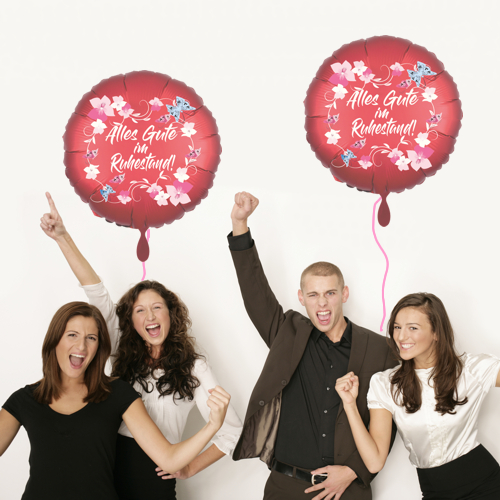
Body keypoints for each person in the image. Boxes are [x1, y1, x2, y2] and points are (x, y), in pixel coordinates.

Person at [39, 193, 242, 500]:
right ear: (130, 321)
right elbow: (96, 292)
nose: (150, 316)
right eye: (140, 310)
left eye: (157, 307)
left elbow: (232, 430)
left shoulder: (194, 367)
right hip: (105, 471)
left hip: (154, 479)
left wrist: (189, 468)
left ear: (170, 315)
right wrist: (63, 238)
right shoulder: (120, 349)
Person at [227, 191, 398, 500]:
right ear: (301, 297)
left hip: (347, 489)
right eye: (314, 295)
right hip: (286, 485)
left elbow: (389, 424)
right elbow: (255, 292)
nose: (322, 303)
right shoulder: (287, 333)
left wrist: (353, 471)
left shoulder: (380, 349)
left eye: (330, 293)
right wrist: (240, 225)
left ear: (344, 294)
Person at [0, 301, 230, 500]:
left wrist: (213, 425)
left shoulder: (117, 393)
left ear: (98, 347)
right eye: (72, 335)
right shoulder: (24, 400)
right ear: (54, 340)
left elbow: (168, 460)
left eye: (91, 338)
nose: (81, 346)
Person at [335, 293, 500, 500]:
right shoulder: (386, 384)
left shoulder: (471, 370)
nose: (401, 337)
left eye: (413, 328)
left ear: (436, 333)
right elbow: (374, 461)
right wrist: (349, 404)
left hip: (486, 487)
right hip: (433, 491)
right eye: (397, 327)